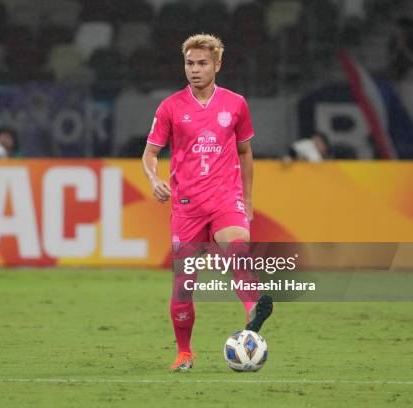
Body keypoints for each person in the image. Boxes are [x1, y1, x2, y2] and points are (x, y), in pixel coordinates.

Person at [141, 34, 273, 371]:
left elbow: (245, 152)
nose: (195, 70)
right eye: (190, 63)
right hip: (187, 204)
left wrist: (248, 197)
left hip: (226, 197)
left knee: (237, 247)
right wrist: (155, 179)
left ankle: (253, 312)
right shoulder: (170, 107)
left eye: (202, 63)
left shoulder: (236, 104)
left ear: (217, 64)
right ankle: (184, 352)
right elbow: (151, 153)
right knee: (184, 284)